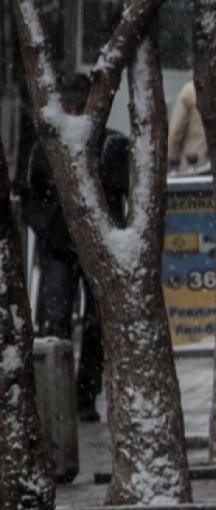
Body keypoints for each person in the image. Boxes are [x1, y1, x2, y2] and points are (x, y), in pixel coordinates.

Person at [17, 73, 130, 422]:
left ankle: (84, 396)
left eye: (82, 106)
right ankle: (60, 396)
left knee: (95, 325)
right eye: (72, 106)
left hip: (96, 248)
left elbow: (127, 194)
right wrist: (48, 227)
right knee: (58, 321)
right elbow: (30, 196)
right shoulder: (46, 148)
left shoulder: (111, 146)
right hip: (60, 248)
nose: (77, 113)